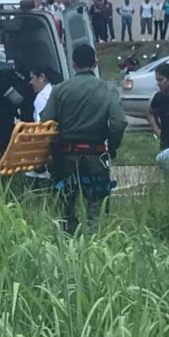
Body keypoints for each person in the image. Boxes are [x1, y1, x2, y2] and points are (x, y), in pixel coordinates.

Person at [40, 44, 128, 234]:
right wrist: (111, 147)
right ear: (95, 63)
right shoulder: (107, 89)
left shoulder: (60, 90)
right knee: (95, 208)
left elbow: (45, 121)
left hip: (65, 159)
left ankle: (68, 244)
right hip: (95, 157)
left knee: (66, 207)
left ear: (73, 64)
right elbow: (119, 122)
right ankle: (93, 247)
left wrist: (50, 151)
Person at [25, 67, 55, 182]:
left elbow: (42, 130)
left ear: (41, 77)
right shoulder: (53, 92)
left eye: (32, 78)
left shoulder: (42, 98)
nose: (30, 82)